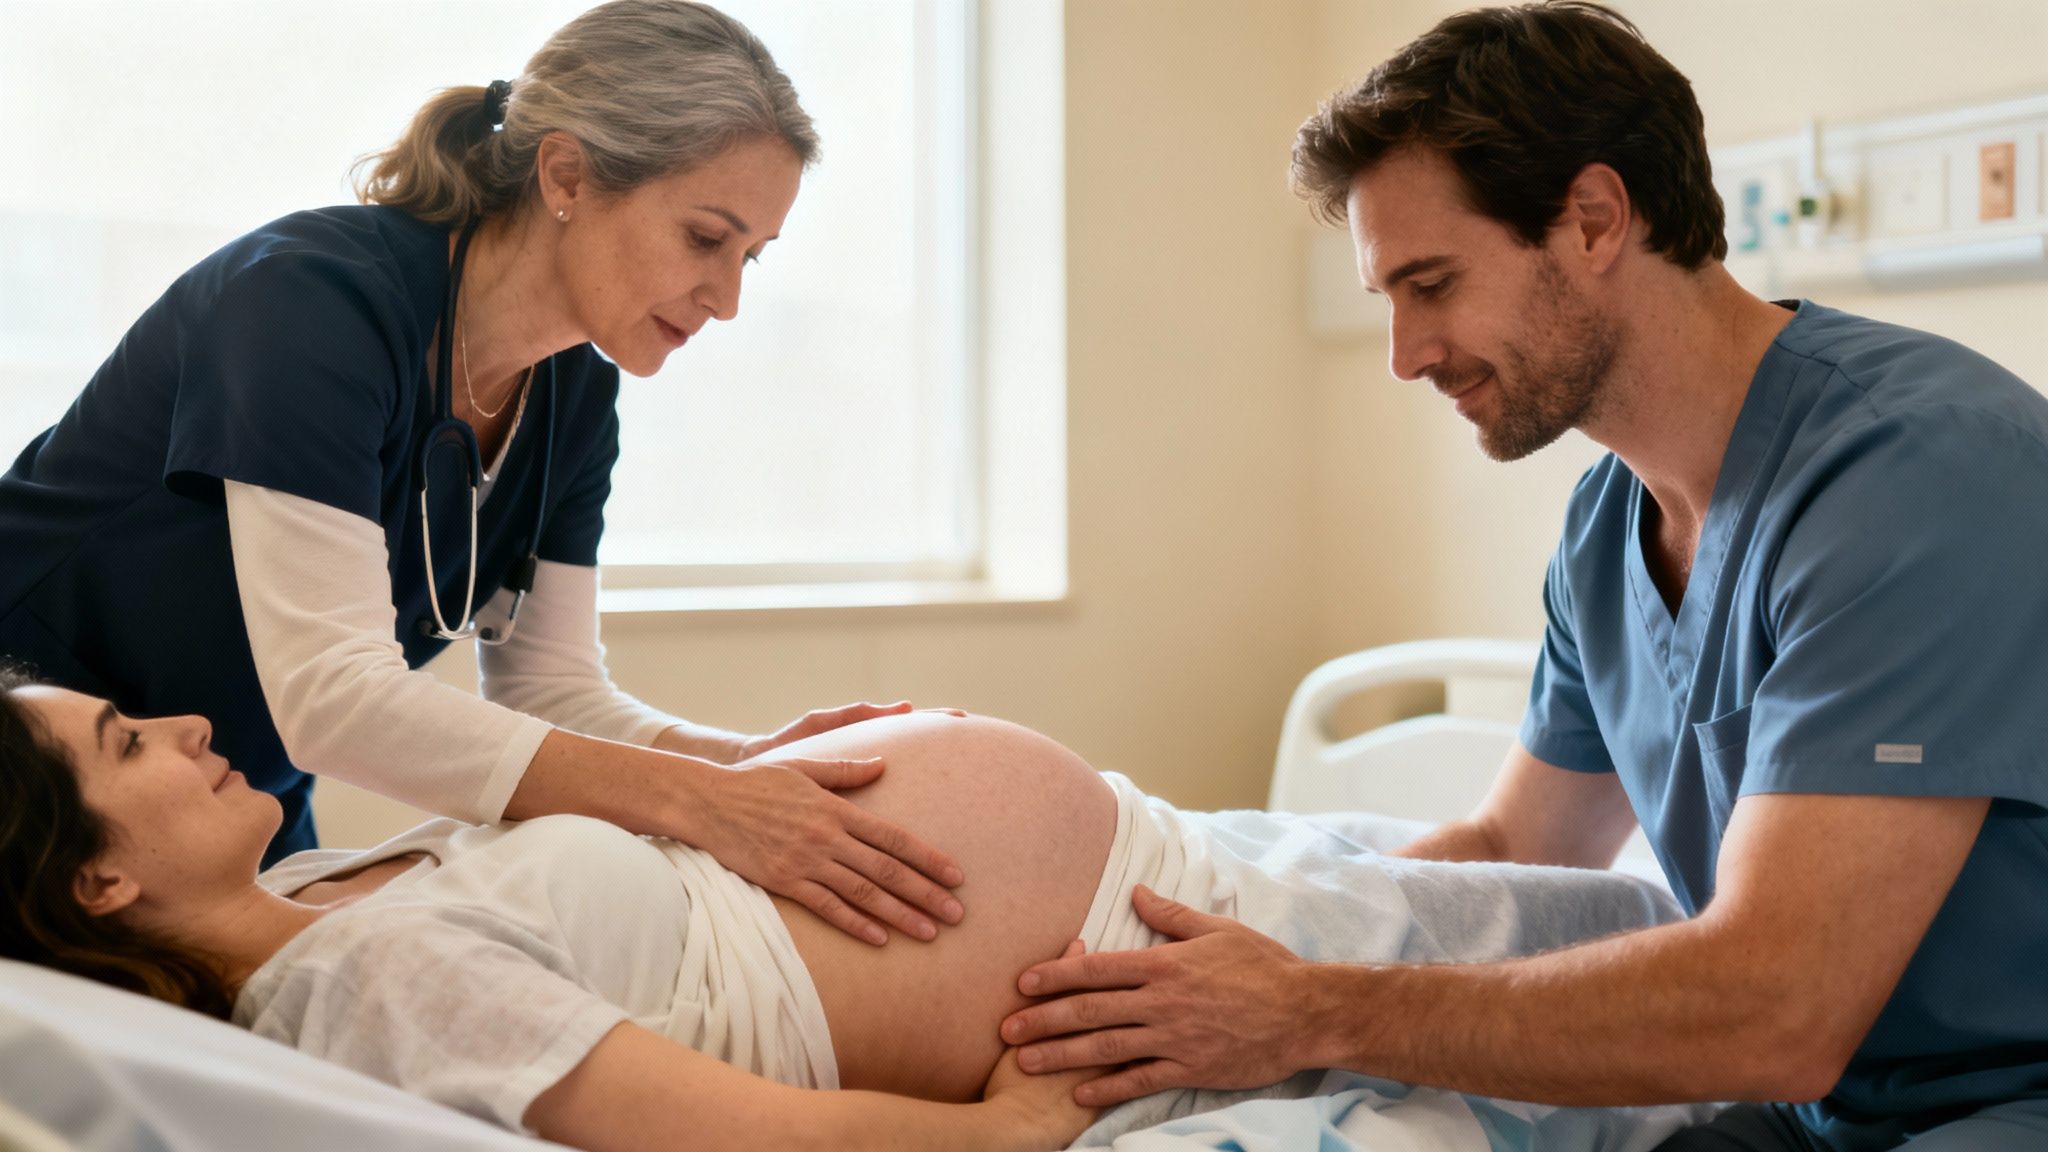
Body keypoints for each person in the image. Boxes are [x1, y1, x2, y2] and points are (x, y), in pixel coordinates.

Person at [998, 4, 2048, 1150]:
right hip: (1819, 1114)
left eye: (1431, 283)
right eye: (1384, 299)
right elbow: (1509, 848)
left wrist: (1311, 1012)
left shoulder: (1912, 474)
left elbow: (1775, 1006)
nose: (1402, 356)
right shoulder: (1610, 525)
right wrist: (1258, 918)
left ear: (1592, 219)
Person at [0, 0, 966, 949]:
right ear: (567, 173)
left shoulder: (574, 390)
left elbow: (549, 689)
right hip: (40, 768)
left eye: (752, 256)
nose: (727, 300)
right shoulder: (306, 305)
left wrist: (749, 763)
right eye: (705, 239)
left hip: (231, 783)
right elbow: (337, 698)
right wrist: (705, 803)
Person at [0, 672, 1690, 1151]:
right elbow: (732, 1135)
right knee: (1657, 983)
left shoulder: (314, 897)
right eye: (131, 746)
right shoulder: (368, 989)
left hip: (1158, 870)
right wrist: (1026, 1117)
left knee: (1619, 929)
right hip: (1157, 959)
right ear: (99, 880)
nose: (194, 726)